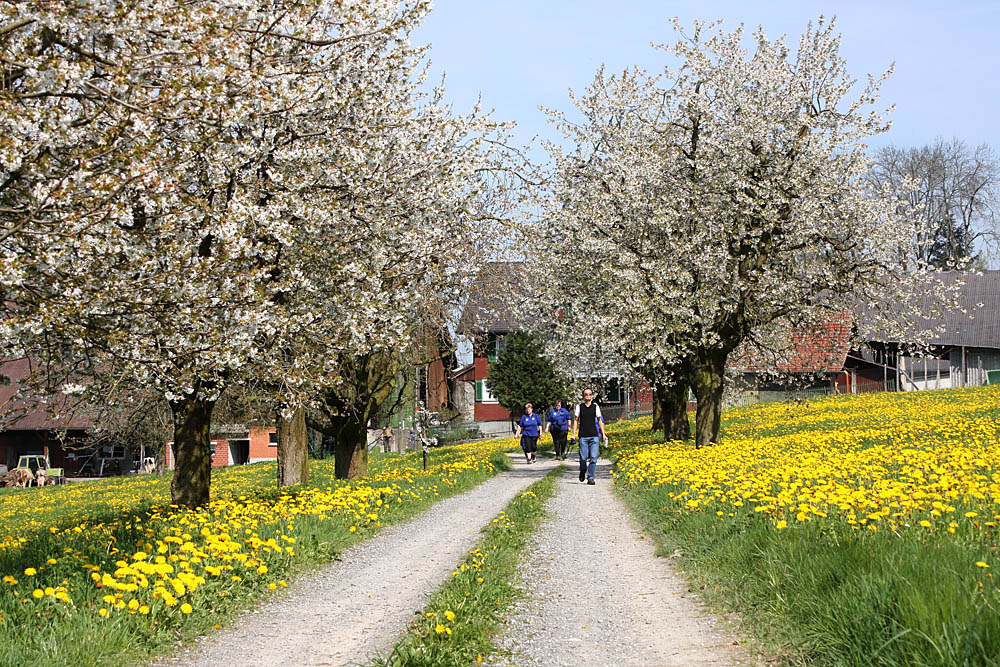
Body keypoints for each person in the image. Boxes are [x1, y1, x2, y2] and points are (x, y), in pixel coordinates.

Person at [570, 387, 608, 485]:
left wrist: (603, 434)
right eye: (586, 394)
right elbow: (575, 421)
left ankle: (590, 477)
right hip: (583, 436)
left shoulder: (595, 407)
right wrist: (573, 434)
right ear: (583, 396)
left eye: (589, 394)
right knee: (583, 458)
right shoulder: (579, 407)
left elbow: (600, 421)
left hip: (594, 436)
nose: (588, 396)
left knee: (594, 458)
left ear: (592, 396)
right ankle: (583, 470)